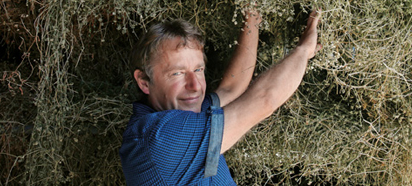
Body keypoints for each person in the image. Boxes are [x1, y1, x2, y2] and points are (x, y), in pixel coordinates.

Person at [119, 9, 321, 185]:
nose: (195, 86)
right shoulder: (159, 138)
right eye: (177, 73)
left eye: (198, 70)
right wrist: (304, 51)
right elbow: (264, 98)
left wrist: (251, 16)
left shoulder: (181, 113)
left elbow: (232, 89)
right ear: (144, 81)